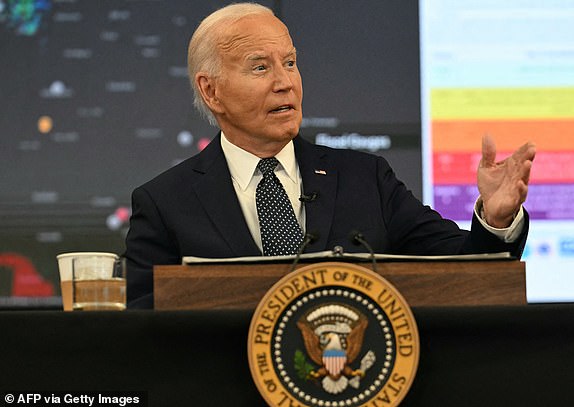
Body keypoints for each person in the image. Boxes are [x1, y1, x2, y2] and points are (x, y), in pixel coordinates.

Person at [124, 3, 536, 309]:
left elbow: (467, 272)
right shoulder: (165, 203)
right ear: (211, 91)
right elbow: (136, 325)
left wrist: (497, 220)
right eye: (260, 68)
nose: (285, 82)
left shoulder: (365, 178)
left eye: (290, 62)